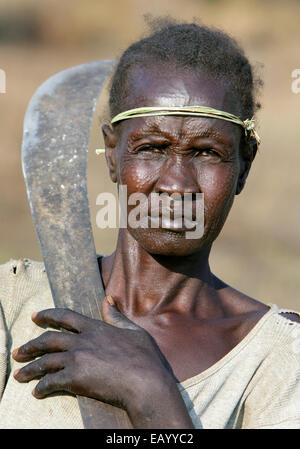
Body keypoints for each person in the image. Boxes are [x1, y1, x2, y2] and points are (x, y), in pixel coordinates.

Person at [0, 20, 299, 429]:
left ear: (244, 166)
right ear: (111, 154)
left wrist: (150, 392)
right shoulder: (13, 303)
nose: (177, 184)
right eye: (152, 148)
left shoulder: (278, 358)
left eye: (207, 153)